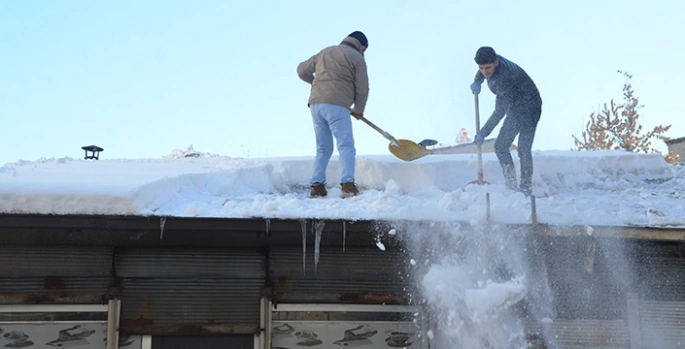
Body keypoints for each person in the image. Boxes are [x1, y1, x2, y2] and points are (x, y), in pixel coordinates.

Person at [297, 31, 369, 198]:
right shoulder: (357, 58)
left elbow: (301, 71)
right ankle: (348, 186)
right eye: (364, 49)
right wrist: (358, 110)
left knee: (323, 148)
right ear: (361, 45)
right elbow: (363, 88)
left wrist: (315, 81)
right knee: (346, 145)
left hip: (316, 105)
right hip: (337, 105)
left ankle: (317, 186)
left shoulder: (325, 52)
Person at [470, 46, 542, 195]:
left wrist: (483, 133)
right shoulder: (491, 62)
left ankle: (525, 188)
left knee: (523, 148)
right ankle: (511, 186)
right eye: (481, 68)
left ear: (496, 62)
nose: (485, 72)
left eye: (487, 68)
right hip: (515, 107)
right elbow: (483, 70)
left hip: (531, 106)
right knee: (501, 146)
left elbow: (499, 112)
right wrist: (477, 81)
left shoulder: (504, 78)